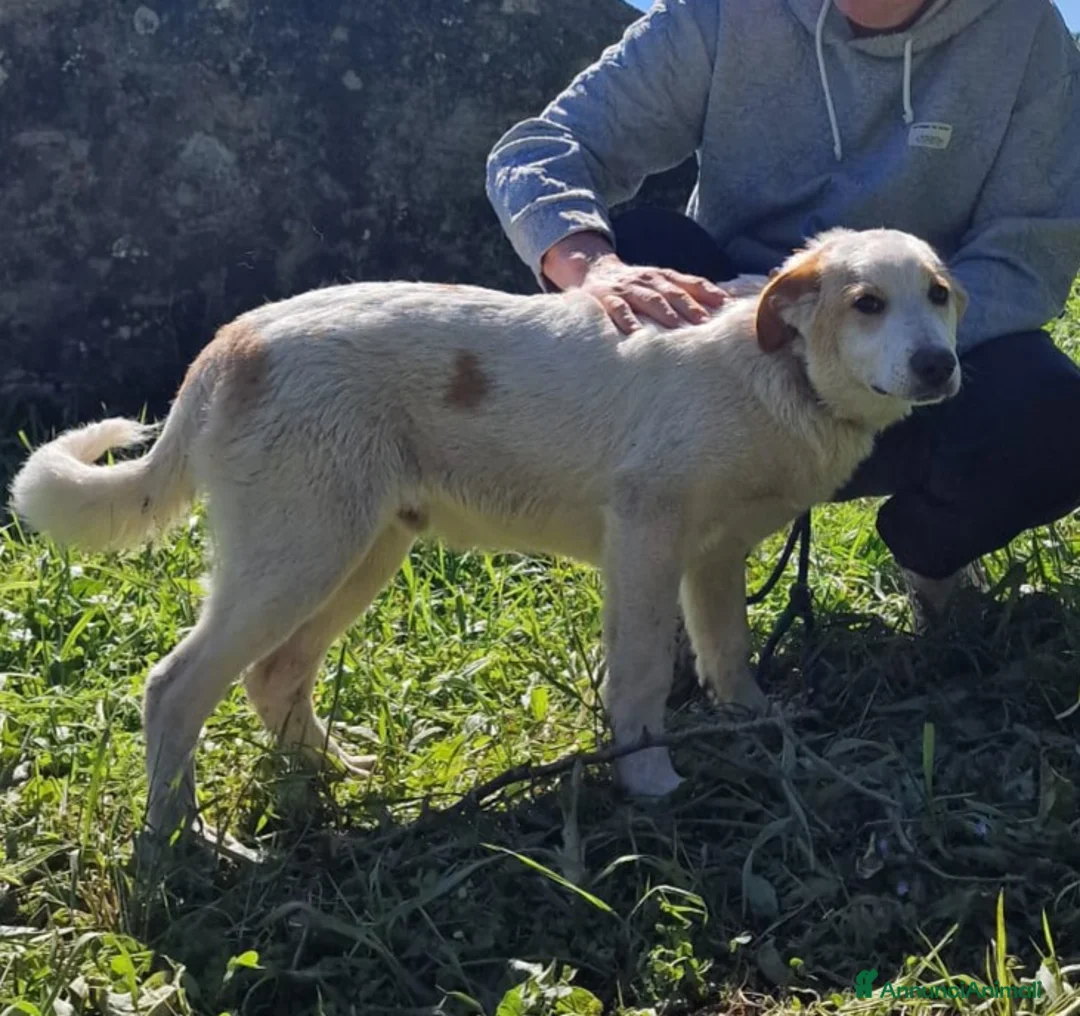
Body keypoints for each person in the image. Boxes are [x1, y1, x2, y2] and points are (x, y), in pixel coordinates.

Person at [486, 0, 1080, 629]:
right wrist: (598, 268)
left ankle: (933, 554)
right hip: (733, 351)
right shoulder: (719, 12)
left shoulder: (1023, 30)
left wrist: (869, 337)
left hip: (910, 350)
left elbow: (1027, 246)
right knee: (642, 249)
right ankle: (678, 575)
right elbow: (545, 147)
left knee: (1056, 418)